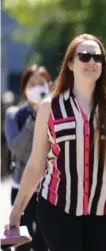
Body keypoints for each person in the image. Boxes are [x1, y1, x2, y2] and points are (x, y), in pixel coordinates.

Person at [5, 33, 106, 251]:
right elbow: (37, 163)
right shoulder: (50, 106)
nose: (92, 61)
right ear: (70, 63)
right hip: (57, 207)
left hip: (105, 210)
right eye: (84, 56)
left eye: (98, 57)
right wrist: (17, 209)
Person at [4, 64, 52, 251]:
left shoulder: (56, 113)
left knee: (43, 239)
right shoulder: (14, 114)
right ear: (24, 87)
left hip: (49, 188)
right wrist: (34, 118)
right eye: (32, 84)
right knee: (22, 241)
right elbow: (16, 146)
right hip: (21, 185)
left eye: (42, 84)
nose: (37, 88)